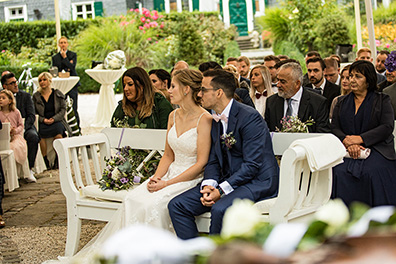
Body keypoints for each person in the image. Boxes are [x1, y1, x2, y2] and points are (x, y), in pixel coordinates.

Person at [59, 69, 213, 262]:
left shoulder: (204, 119)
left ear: (186, 90)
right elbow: (167, 155)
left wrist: (166, 184)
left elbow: (201, 163)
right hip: (168, 173)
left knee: (152, 204)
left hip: (189, 179)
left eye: (173, 86)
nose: (169, 90)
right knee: (133, 199)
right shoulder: (173, 116)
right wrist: (156, 177)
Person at [168, 69, 279, 239]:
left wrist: (220, 190)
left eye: (203, 90)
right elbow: (213, 160)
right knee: (177, 205)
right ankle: (197, 254)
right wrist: (208, 185)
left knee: (219, 209)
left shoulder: (249, 118)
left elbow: (251, 166)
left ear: (218, 93)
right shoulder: (215, 118)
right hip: (227, 180)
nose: (199, 94)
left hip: (257, 181)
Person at [331, 60, 396, 207]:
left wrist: (360, 139)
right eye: (350, 76)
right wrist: (347, 141)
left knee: (371, 172)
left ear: (369, 80)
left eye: (358, 76)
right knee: (338, 171)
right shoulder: (341, 102)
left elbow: (386, 126)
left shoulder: (382, 100)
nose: (352, 80)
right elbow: (334, 127)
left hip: (377, 148)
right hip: (347, 149)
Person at [265, 62, 330, 133]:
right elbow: (267, 131)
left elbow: (322, 133)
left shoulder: (317, 102)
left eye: (283, 82)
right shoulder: (271, 102)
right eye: (278, 80)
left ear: (297, 83)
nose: (278, 85)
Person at [1, 72, 40, 179]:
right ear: (5, 86)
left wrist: (22, 129)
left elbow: (31, 116)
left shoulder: (26, 96)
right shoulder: (1, 98)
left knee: (33, 137)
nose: (16, 84)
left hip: (24, 126)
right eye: (12, 83)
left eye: (16, 82)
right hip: (5, 129)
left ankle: (30, 169)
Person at [33, 72, 67, 169]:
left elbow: (63, 109)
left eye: (44, 80)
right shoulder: (36, 96)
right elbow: (34, 112)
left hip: (56, 120)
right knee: (41, 134)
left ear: (49, 81)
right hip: (43, 121)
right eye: (40, 80)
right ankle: (46, 161)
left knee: (58, 132)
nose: (42, 82)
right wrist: (43, 120)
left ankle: (57, 160)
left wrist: (54, 119)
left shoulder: (57, 93)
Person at [51, 36, 81, 127]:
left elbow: (72, 68)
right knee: (60, 106)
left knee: (74, 106)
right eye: (61, 43)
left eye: (64, 42)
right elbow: (56, 69)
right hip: (60, 84)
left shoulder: (72, 55)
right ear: (59, 45)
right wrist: (67, 63)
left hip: (72, 84)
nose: (63, 44)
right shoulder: (55, 57)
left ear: (67, 44)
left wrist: (65, 58)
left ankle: (77, 127)